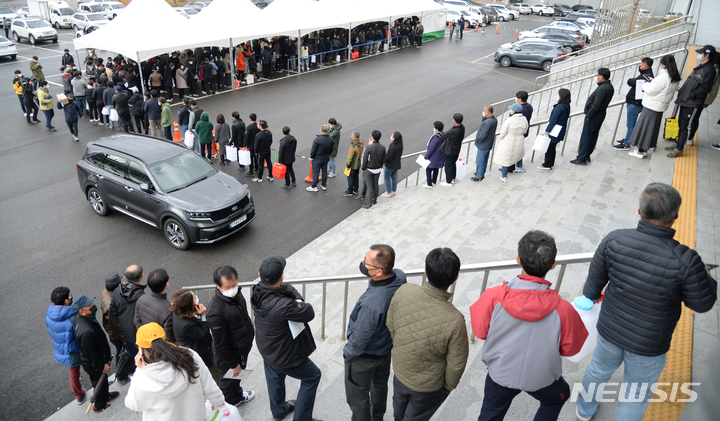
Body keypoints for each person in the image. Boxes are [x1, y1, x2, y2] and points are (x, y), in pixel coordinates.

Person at [576, 183, 717, 421]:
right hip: (650, 343)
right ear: (675, 217)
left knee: (598, 370)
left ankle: (583, 411)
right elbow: (702, 304)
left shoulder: (614, 240)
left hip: (610, 329)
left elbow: (591, 288)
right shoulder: (687, 260)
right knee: (637, 394)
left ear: (640, 211)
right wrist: (706, 277)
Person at [470, 231, 588, 421]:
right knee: (560, 395)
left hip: (500, 374)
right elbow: (570, 349)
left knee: (490, 413)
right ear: (553, 265)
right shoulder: (564, 310)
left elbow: (480, 331)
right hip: (542, 378)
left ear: (518, 258)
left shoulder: (494, 296)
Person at [386, 248, 469, 421]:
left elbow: (391, 325)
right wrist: (447, 387)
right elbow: (456, 364)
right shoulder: (455, 320)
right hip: (429, 386)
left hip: (401, 371)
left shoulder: (404, 291)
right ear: (456, 277)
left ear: (425, 271)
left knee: (398, 410)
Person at [251, 257, 323, 421]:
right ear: (281, 277)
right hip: (285, 354)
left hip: (267, 348)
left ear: (259, 275)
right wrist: (298, 300)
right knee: (313, 376)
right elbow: (308, 312)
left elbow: (286, 288)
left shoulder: (258, 290)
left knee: (275, 379)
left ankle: (279, 411)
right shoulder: (284, 306)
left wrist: (292, 295)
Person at [344, 245, 407, 421]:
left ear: (378, 272)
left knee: (358, 398)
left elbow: (360, 338)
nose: (363, 264)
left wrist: (348, 354)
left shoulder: (372, 304)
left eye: (366, 262)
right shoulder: (399, 277)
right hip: (385, 350)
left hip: (364, 358)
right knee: (379, 387)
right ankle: (377, 417)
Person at [124, 323, 226, 420]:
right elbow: (209, 386)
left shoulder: (144, 380)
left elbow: (132, 404)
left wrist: (139, 371)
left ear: (141, 350)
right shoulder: (188, 355)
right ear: (164, 339)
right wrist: (219, 402)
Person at [206, 265, 256, 405]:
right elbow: (221, 344)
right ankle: (227, 407)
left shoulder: (237, 295)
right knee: (227, 384)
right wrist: (233, 365)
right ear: (218, 286)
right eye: (228, 287)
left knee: (236, 379)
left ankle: (237, 397)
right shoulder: (215, 311)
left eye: (234, 284)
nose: (233, 289)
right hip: (229, 358)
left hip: (240, 350)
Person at [667, 45, 717, 157]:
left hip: (692, 102)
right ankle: (678, 143)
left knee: (686, 125)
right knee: (681, 123)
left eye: (701, 53)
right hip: (686, 100)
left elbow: (705, 89)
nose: (699, 55)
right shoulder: (701, 67)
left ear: (707, 55)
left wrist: (692, 95)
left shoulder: (709, 70)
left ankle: (680, 148)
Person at [73, 295, 120, 413]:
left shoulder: (84, 318)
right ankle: (99, 405)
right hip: (95, 364)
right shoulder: (86, 332)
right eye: (89, 306)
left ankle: (105, 395)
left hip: (98, 358)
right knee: (99, 383)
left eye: (92, 304)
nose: (93, 306)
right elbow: (91, 354)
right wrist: (101, 367)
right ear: (81, 311)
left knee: (103, 382)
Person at [628, 55, 682, 159]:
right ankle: (644, 149)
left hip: (652, 105)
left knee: (644, 128)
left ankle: (640, 150)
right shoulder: (674, 76)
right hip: (660, 106)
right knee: (652, 129)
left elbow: (650, 90)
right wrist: (654, 81)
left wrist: (646, 84)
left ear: (665, 65)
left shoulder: (663, 77)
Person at [45, 287, 86, 405]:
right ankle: (97, 387)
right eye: (69, 296)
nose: (71, 297)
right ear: (65, 301)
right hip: (76, 349)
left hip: (62, 349)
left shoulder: (49, 316)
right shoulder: (72, 317)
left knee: (73, 372)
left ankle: (79, 396)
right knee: (90, 368)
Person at [171, 289, 219, 382]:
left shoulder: (178, 312)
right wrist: (204, 315)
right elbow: (203, 333)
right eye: (194, 298)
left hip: (197, 352)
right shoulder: (186, 325)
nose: (196, 298)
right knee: (215, 377)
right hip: (202, 355)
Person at [572, 68, 615, 165]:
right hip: (599, 115)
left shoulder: (602, 89)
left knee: (587, 137)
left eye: (597, 75)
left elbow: (596, 105)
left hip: (594, 116)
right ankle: (586, 155)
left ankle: (582, 157)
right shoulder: (608, 87)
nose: (596, 77)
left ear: (602, 77)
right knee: (592, 136)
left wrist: (589, 115)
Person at [110, 265, 147, 372]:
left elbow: (113, 313)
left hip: (127, 335)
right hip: (141, 337)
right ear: (142, 276)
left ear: (125, 278)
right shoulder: (143, 298)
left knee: (134, 357)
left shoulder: (117, 291)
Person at [614, 57, 654, 151]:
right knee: (631, 124)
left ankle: (627, 144)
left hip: (635, 104)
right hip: (637, 103)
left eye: (640, 65)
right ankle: (628, 138)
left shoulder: (644, 77)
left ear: (644, 66)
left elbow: (631, 82)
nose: (639, 67)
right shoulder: (649, 75)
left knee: (631, 125)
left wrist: (631, 81)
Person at [134, 268, 174, 342]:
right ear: (166, 285)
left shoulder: (141, 299)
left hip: (146, 342)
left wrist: (145, 337)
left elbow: (137, 320)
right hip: (158, 348)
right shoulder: (169, 310)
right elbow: (168, 337)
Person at [494, 103, 529, 182]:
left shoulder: (510, 119)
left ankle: (504, 176)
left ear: (514, 111)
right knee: (518, 153)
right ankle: (519, 167)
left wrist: (501, 138)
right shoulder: (524, 118)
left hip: (509, 139)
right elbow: (525, 130)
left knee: (505, 158)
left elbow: (503, 131)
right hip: (520, 138)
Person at [539, 88, 571, 170]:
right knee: (552, 147)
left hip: (554, 131)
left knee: (549, 148)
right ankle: (550, 163)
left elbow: (553, 120)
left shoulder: (559, 107)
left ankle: (547, 164)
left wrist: (547, 131)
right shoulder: (567, 106)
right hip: (560, 130)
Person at [100, 273, 125, 373]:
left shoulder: (105, 292)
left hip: (113, 333)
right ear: (118, 285)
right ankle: (121, 373)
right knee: (122, 354)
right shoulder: (110, 305)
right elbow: (116, 325)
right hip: (117, 336)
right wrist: (124, 339)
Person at [360, 130, 386, 208]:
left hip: (369, 169)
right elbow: (384, 159)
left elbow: (365, 160)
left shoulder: (369, 147)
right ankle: (374, 200)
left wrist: (363, 168)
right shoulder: (383, 147)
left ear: (373, 137)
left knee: (369, 187)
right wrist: (380, 166)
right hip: (378, 169)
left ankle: (369, 203)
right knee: (375, 185)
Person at [471, 105, 497, 181]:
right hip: (488, 143)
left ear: (487, 112)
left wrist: (478, 139)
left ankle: (479, 176)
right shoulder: (494, 120)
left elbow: (483, 135)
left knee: (480, 160)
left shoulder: (487, 123)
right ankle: (481, 172)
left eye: (484, 111)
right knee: (484, 160)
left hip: (483, 144)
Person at [439, 113, 465, 186]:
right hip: (456, 149)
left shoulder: (453, 131)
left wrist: (448, 138)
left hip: (450, 150)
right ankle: (453, 178)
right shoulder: (462, 127)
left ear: (454, 120)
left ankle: (448, 181)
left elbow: (444, 135)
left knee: (448, 166)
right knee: (453, 164)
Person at [307, 125, 334, 192]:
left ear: (320, 130)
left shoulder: (317, 139)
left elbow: (313, 150)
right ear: (327, 131)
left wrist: (312, 157)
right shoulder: (331, 139)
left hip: (317, 158)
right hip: (325, 158)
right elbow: (331, 150)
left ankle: (314, 186)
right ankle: (323, 185)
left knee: (316, 172)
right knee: (324, 172)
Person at [423, 121, 445, 189]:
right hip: (440, 156)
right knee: (436, 169)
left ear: (436, 129)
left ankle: (429, 183)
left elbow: (431, 148)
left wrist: (426, 156)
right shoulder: (443, 135)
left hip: (434, 157)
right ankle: (434, 181)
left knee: (428, 169)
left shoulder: (436, 138)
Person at [382, 132, 403, 198]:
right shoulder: (400, 146)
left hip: (390, 165)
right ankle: (393, 191)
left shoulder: (393, 147)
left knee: (387, 178)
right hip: (396, 165)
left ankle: (388, 192)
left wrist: (384, 160)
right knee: (394, 177)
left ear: (394, 138)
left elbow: (389, 157)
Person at [343, 132, 363, 196]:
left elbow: (350, 157)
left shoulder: (352, 146)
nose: (351, 137)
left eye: (351, 136)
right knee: (356, 177)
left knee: (350, 178)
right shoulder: (360, 144)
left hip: (352, 165)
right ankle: (355, 189)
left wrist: (347, 165)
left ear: (354, 137)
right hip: (358, 164)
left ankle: (350, 191)